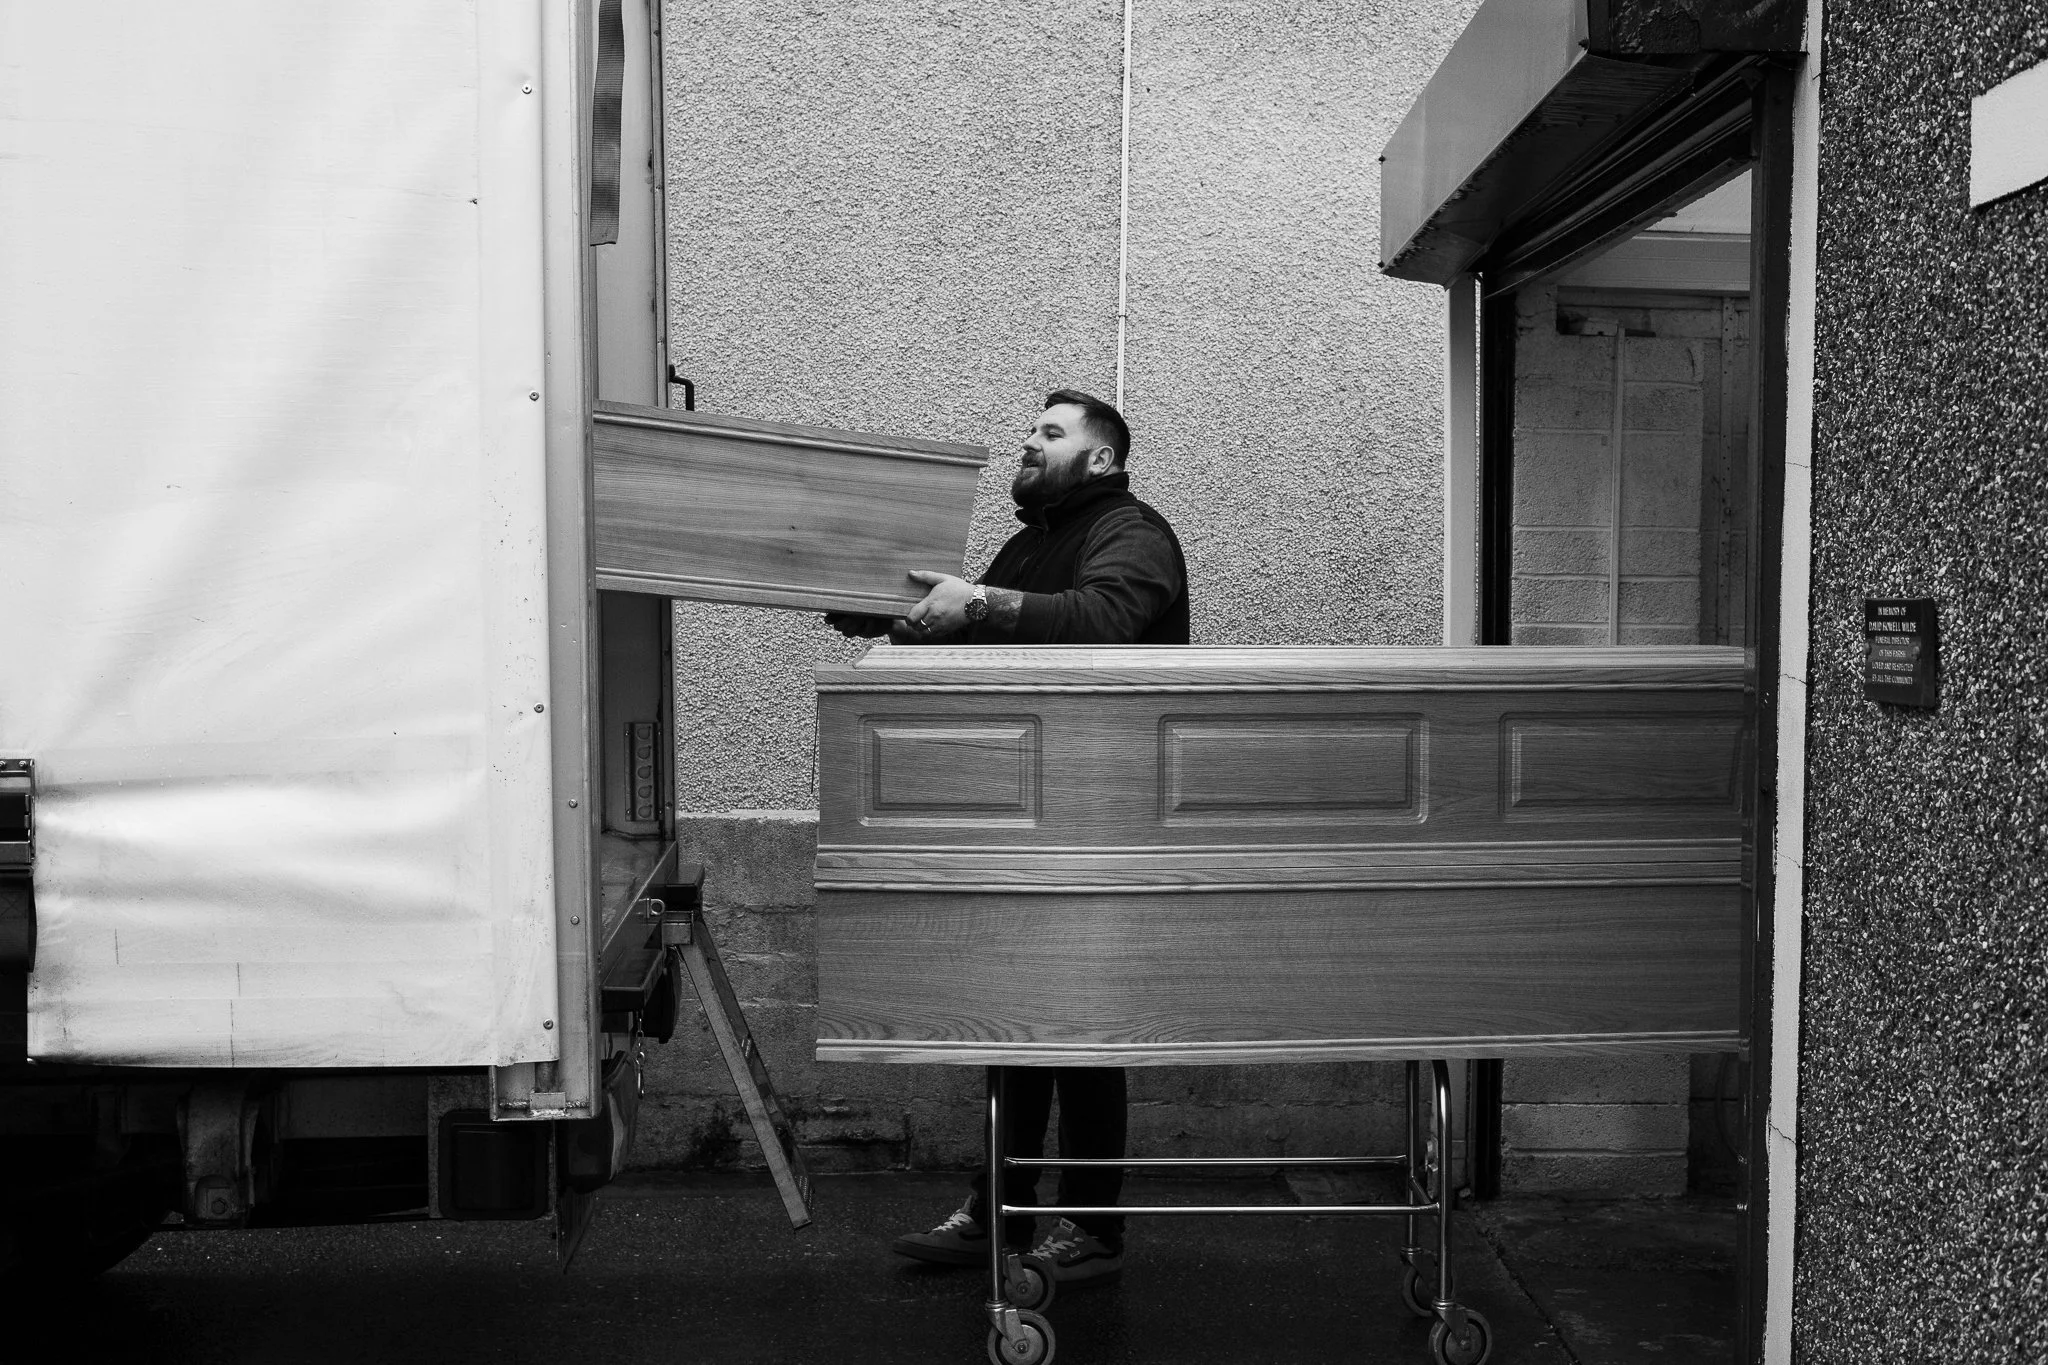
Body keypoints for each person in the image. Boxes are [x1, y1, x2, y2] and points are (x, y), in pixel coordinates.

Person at [826, 388, 1188, 1286]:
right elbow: (982, 639)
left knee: (1083, 1032)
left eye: (1050, 433)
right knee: (1017, 1020)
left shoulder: (1133, 532)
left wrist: (979, 604)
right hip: (1029, 807)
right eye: (1031, 428)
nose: (1029, 441)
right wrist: (887, 617)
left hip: (1102, 815)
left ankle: (1092, 1227)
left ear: (1101, 458)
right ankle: (1000, 1214)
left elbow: (1100, 619)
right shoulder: (1030, 543)